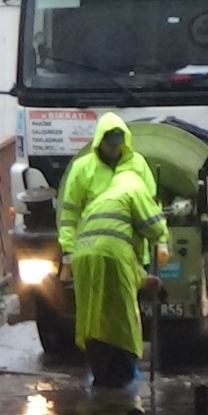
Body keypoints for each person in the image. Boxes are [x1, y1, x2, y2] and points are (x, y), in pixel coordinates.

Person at [71, 157, 170, 388]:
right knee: (122, 318)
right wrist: (163, 241)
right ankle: (122, 377)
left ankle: (101, 376)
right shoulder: (134, 187)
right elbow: (153, 225)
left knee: (94, 316)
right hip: (112, 257)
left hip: (83, 258)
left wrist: (144, 279)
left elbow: (114, 240)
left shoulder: (104, 196)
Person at [57, 112, 157, 266]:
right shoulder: (82, 168)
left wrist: (159, 240)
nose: (114, 148)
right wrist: (69, 249)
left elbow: (150, 205)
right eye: (110, 144)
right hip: (94, 250)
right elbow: (70, 212)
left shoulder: (138, 164)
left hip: (132, 253)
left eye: (118, 143)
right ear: (100, 140)